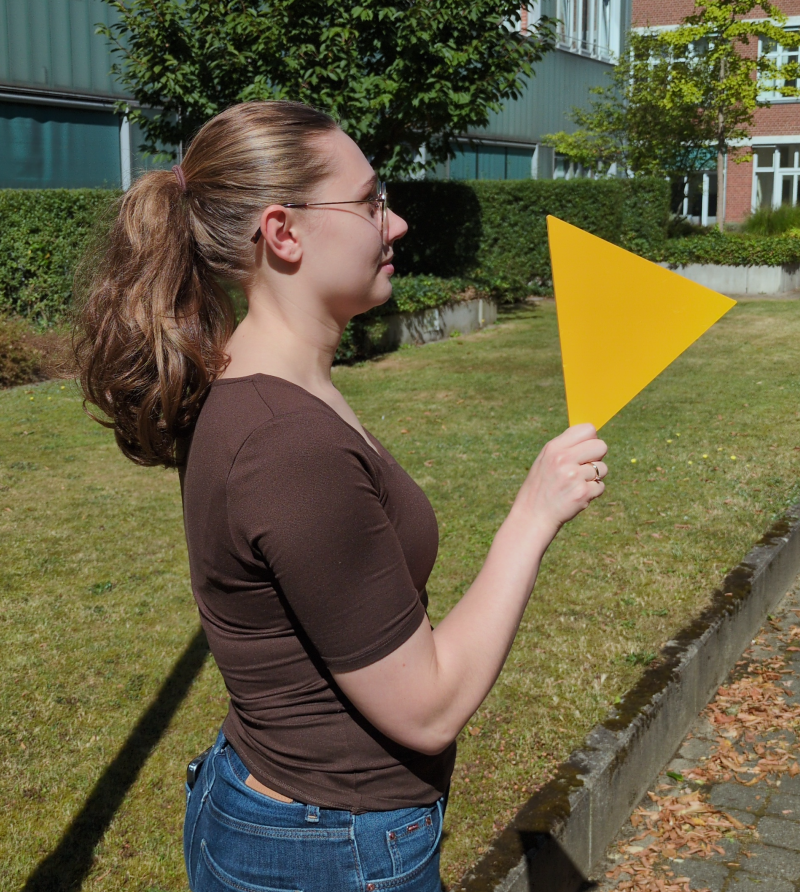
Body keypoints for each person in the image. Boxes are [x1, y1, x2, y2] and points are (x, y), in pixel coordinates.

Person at [73, 100, 608, 892]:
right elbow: (426, 709)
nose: (396, 224)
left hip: (291, 820)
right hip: (329, 850)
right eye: (369, 202)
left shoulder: (262, 382)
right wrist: (533, 514)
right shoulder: (288, 443)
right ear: (283, 233)